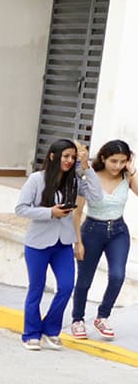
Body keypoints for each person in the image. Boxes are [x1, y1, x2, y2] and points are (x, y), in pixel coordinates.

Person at [15, 139, 95, 350]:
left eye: (73, 157)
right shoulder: (36, 179)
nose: (69, 161)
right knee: (37, 289)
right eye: (65, 156)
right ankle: (31, 333)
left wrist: (86, 167)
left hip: (63, 244)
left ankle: (50, 329)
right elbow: (21, 209)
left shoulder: (75, 181)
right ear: (53, 156)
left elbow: (97, 196)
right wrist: (50, 212)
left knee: (67, 286)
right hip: (38, 243)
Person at [70, 139, 132, 341]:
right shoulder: (89, 177)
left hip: (118, 231)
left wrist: (131, 171)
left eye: (123, 161)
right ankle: (77, 319)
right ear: (103, 158)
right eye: (114, 161)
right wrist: (77, 242)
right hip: (92, 230)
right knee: (84, 279)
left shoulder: (126, 176)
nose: (118, 166)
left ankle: (102, 316)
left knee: (117, 276)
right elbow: (77, 214)